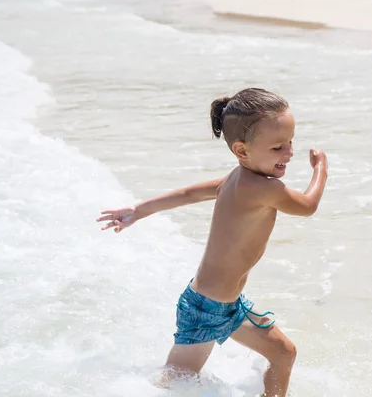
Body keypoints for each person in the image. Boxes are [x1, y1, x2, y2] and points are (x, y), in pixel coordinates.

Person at [96, 88, 328, 397]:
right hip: (205, 309)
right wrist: (321, 168)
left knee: (284, 353)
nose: (289, 153)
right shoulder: (262, 187)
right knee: (172, 385)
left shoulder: (236, 178)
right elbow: (307, 206)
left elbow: (189, 194)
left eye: (290, 143)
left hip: (229, 304)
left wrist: (138, 211)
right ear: (242, 151)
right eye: (277, 147)